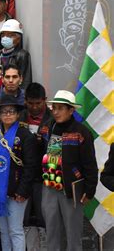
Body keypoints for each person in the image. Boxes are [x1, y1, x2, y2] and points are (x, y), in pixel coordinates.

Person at [0, 94, 37, 251]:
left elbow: (31, 166)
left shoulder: (25, 136)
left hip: (16, 191)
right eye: (4, 112)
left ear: (17, 114)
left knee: (15, 230)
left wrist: (23, 190)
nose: (8, 115)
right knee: (3, 231)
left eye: (11, 111)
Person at [42, 90, 98, 251]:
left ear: (71, 110)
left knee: (73, 236)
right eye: (54, 108)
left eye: (60, 108)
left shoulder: (81, 133)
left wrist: (90, 190)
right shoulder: (47, 127)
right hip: (49, 187)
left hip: (71, 190)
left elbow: (90, 164)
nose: (56, 112)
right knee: (51, 233)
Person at [19, 83, 52, 250]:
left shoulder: (53, 118)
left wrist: (43, 143)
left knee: (43, 216)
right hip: (23, 177)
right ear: (25, 101)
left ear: (45, 101)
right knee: (22, 218)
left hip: (44, 178)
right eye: (30, 103)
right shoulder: (20, 117)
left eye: (38, 103)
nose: (34, 107)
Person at [0, 19, 32, 89]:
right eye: (3, 34)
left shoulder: (22, 55)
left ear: (18, 39)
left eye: (10, 35)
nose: (5, 38)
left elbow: (26, 80)